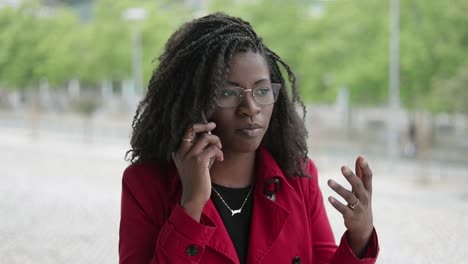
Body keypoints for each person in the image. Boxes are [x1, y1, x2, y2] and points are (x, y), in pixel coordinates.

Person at [119, 12, 379, 264]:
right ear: (193, 101)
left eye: (262, 90)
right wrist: (191, 205)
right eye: (229, 93)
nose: (251, 107)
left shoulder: (299, 177)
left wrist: (360, 236)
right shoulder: (146, 185)